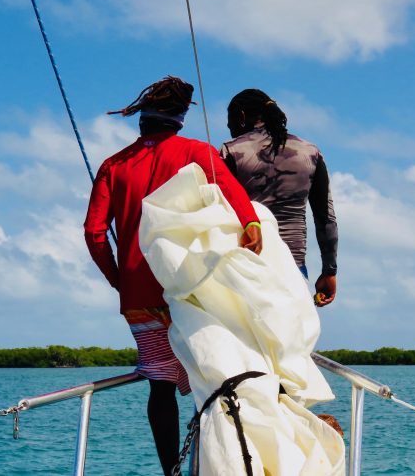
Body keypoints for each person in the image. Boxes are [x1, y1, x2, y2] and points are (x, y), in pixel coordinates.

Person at [84, 76, 262, 475]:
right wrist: (252, 224)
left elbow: (94, 233)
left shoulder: (113, 165)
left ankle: (171, 472)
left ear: (141, 121)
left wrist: (118, 279)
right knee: (213, 375)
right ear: (180, 119)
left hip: (138, 292)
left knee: (160, 382)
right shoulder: (197, 152)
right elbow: (234, 195)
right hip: (191, 285)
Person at [220, 88, 338, 307]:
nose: (229, 128)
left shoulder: (231, 151)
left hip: (247, 265)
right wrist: (329, 270)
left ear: (242, 117)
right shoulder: (310, 152)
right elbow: (325, 217)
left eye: (230, 121)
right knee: (292, 338)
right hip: (293, 267)